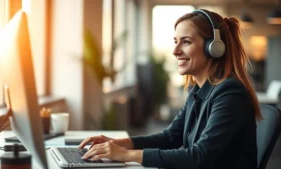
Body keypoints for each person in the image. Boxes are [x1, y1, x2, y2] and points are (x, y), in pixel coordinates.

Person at [79, 9, 263, 169]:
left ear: (213, 48)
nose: (175, 51)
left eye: (186, 42)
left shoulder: (230, 93)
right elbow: (170, 137)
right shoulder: (197, 90)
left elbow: (200, 156)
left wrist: (127, 155)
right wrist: (117, 144)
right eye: (175, 41)